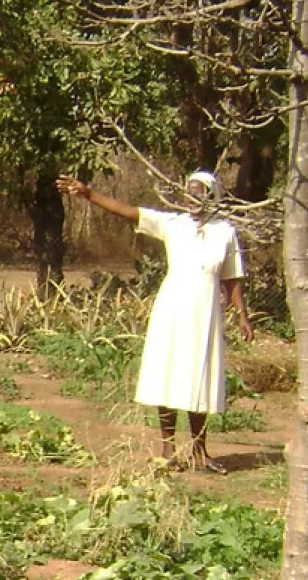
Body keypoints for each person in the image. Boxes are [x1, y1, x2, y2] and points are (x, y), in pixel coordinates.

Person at [57, 170, 254, 472]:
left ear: (211, 196)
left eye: (198, 192)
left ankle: (200, 450)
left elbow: (231, 278)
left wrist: (242, 315)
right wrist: (88, 194)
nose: (192, 197)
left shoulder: (224, 232)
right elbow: (127, 212)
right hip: (173, 307)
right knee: (170, 372)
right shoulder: (172, 224)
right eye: (188, 191)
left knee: (199, 375)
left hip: (205, 311)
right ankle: (168, 448)